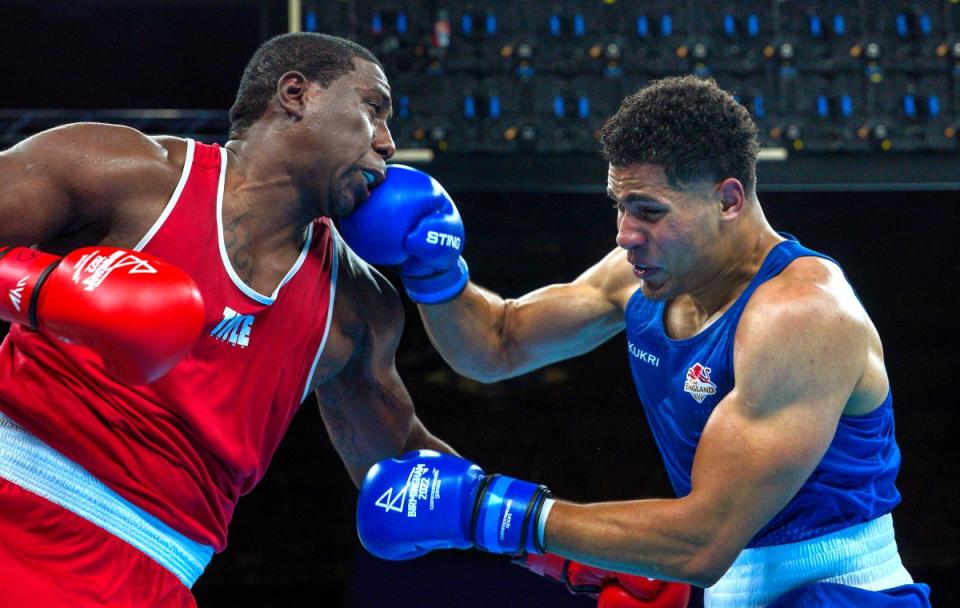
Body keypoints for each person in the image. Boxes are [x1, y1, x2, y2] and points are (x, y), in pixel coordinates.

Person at [0, 31, 685, 608]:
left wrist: (562, 553)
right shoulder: (123, 174)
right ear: (297, 95)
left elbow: (399, 464)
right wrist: (44, 289)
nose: (388, 144)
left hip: (151, 575)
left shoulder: (358, 305)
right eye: (374, 111)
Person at [344, 76, 932, 606]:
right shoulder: (645, 277)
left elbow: (701, 542)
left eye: (648, 211)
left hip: (842, 593)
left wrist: (488, 511)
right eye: (620, 206)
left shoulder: (799, 314)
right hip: (733, 587)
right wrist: (437, 274)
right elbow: (497, 343)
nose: (626, 235)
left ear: (728, 200)